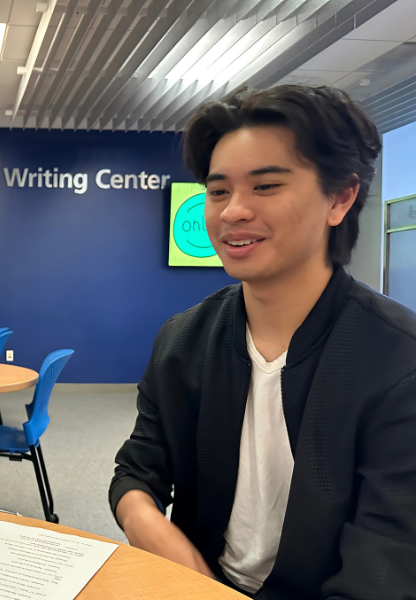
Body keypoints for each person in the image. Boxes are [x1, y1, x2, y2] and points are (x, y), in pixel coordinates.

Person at [110, 84, 416, 598]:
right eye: (219, 190)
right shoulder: (184, 341)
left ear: (340, 197)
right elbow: (135, 472)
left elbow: (385, 570)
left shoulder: (399, 363)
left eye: (266, 186)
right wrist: (158, 534)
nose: (232, 212)